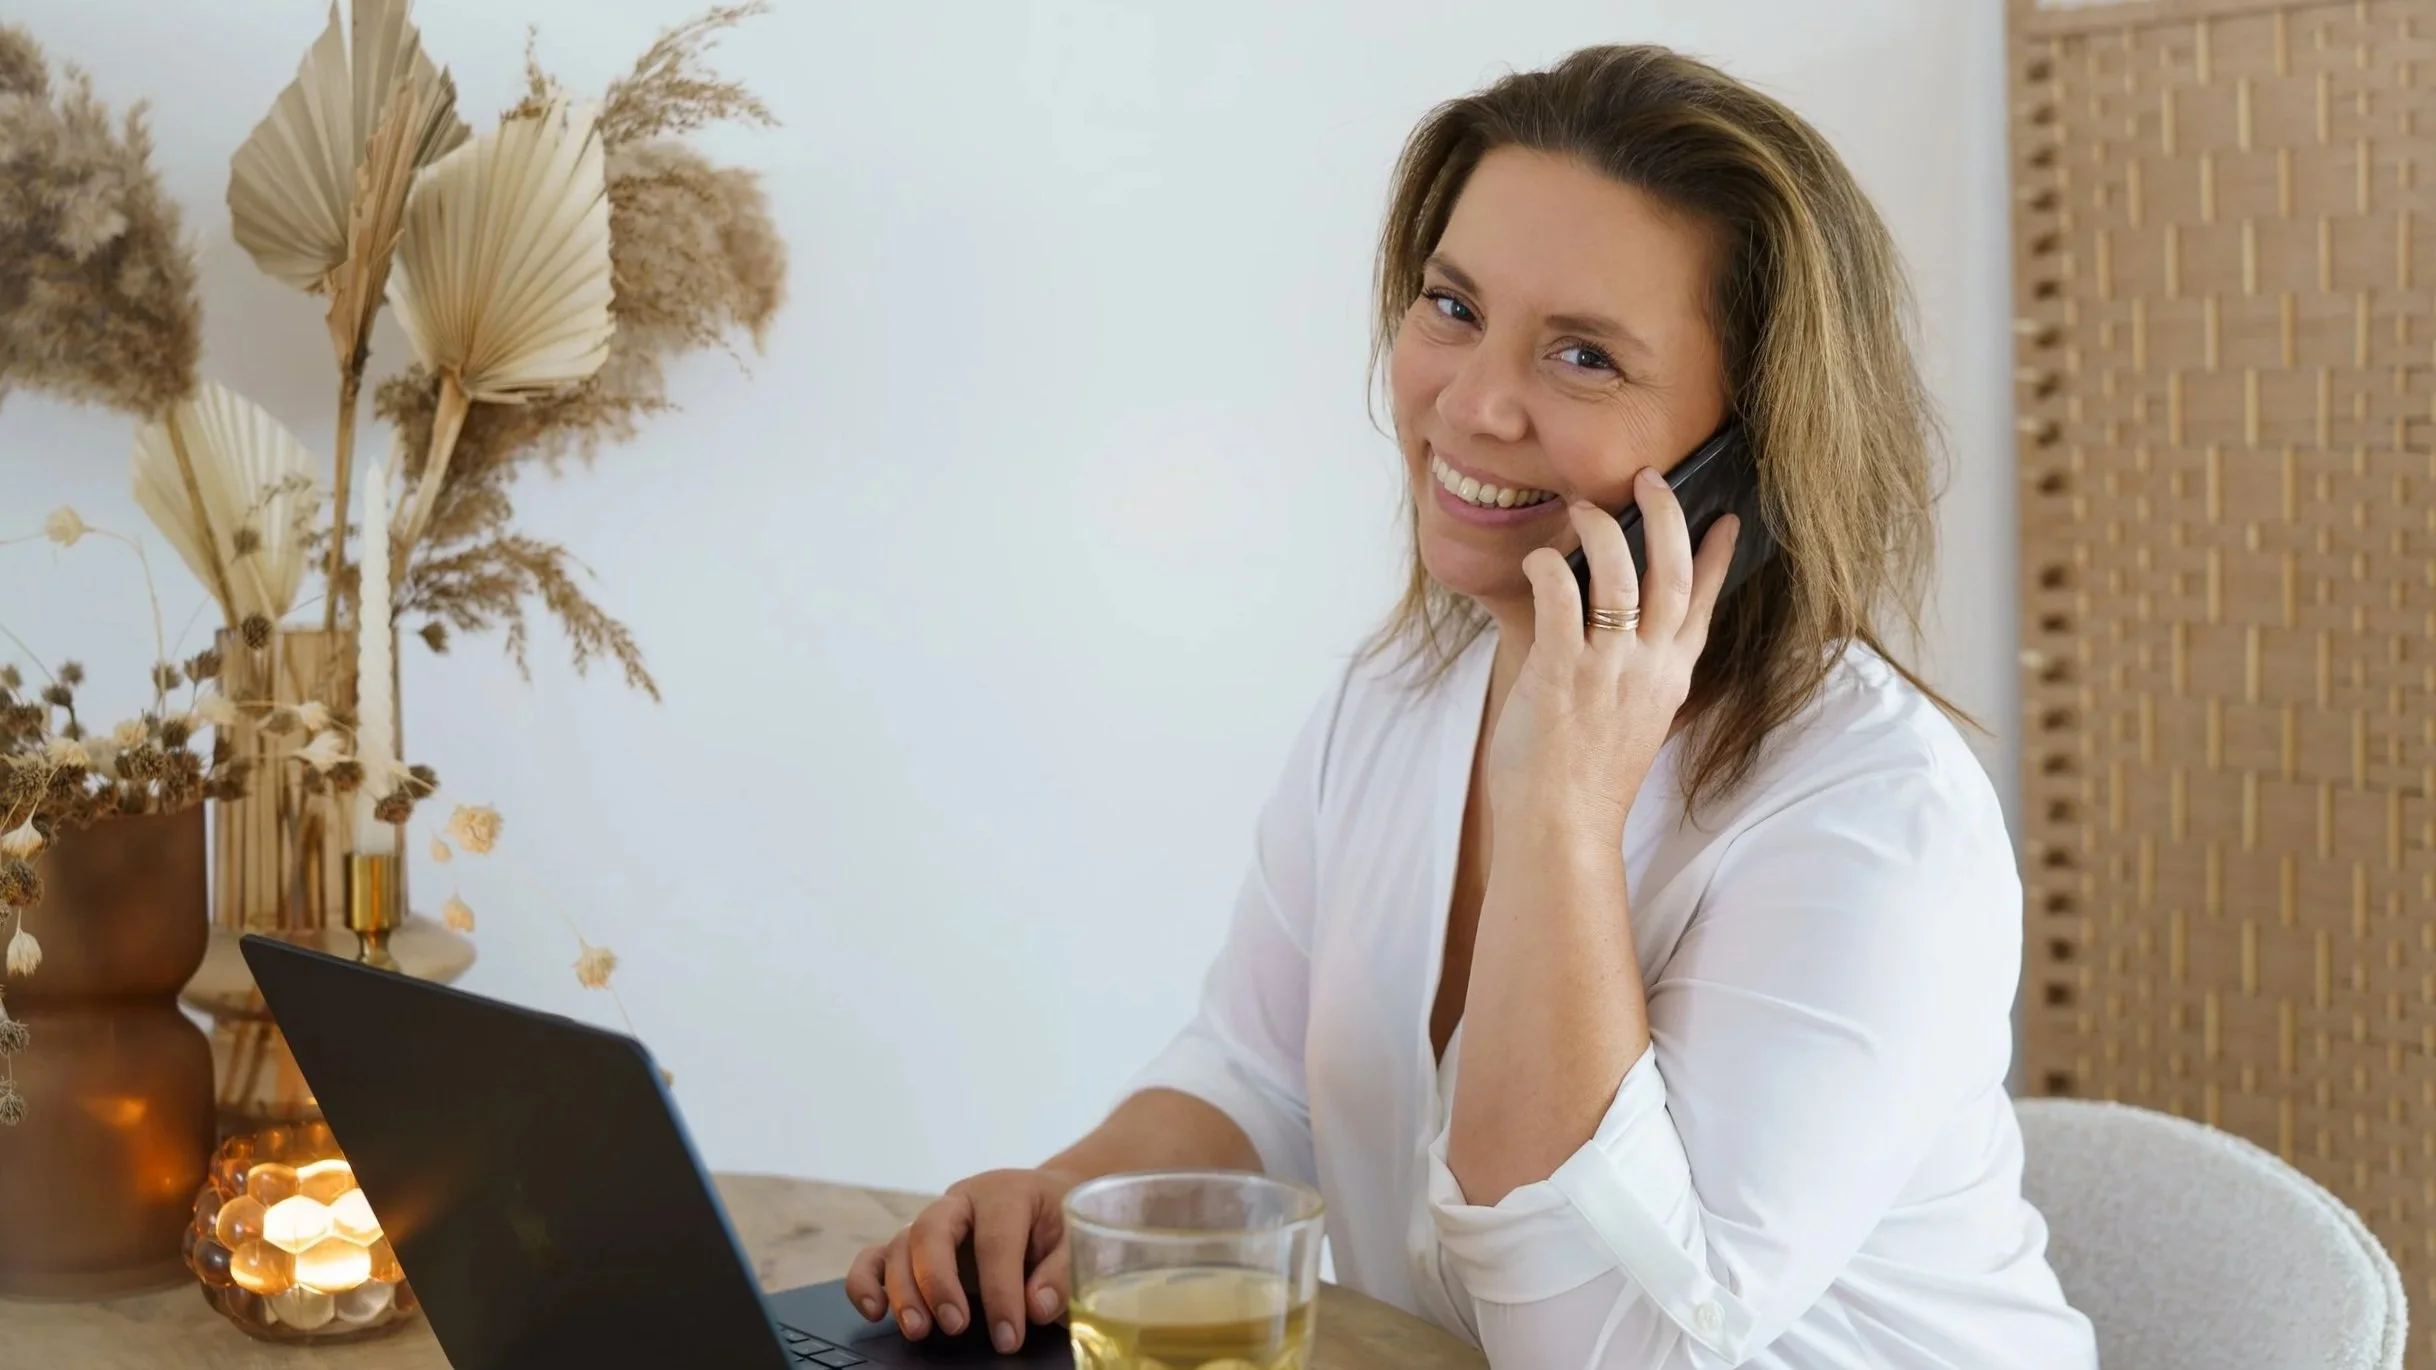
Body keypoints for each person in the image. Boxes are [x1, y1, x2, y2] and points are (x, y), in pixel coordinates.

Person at [846, 43, 2099, 1369]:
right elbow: (1260, 1076)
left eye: (1584, 356)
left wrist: (1564, 806)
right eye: (1452, 306)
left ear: (1747, 452)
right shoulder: (1399, 696)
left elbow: (1604, 1348)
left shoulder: (1874, 825)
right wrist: (1070, 1204)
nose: (1474, 401)